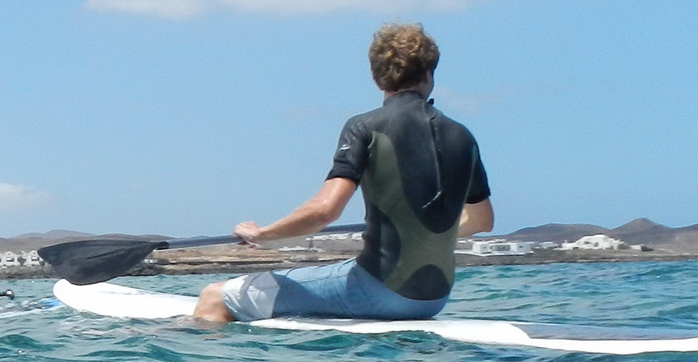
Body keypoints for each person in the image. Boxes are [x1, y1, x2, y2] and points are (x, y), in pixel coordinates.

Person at [194, 23, 493, 323]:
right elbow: (482, 220)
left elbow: (324, 211)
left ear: (377, 79)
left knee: (214, 296)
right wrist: (419, 232)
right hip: (434, 300)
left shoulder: (364, 127)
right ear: (428, 74)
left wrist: (262, 235)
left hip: (377, 291)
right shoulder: (462, 136)